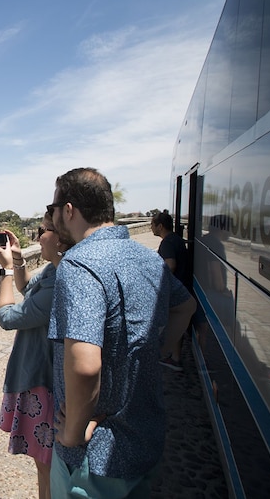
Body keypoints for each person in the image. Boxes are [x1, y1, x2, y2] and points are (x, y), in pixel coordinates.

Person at [47, 168, 196, 498]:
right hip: (145, 442)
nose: (53, 217)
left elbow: (85, 365)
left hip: (94, 463)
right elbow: (186, 307)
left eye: (52, 209)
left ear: (69, 210)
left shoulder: (78, 263)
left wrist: (71, 434)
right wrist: (145, 357)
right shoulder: (147, 258)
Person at [0, 214, 68, 499]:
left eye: (43, 230)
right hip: (42, 375)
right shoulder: (53, 271)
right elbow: (28, 289)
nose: (38, 236)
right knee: (43, 463)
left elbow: (7, 316)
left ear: (60, 237)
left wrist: (7, 272)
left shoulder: (61, 281)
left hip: (43, 379)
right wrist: (19, 260)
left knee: (46, 465)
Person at [151, 210, 195, 371]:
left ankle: (175, 358)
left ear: (160, 226)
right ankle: (175, 355)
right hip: (184, 285)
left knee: (173, 321)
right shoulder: (176, 239)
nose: (151, 228)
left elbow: (170, 264)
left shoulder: (167, 243)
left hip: (175, 288)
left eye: (152, 225)